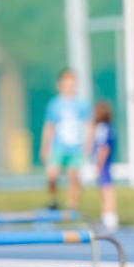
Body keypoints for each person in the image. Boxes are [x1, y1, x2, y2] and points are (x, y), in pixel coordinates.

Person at [40, 69, 91, 211]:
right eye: (67, 83)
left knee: (73, 177)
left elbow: (88, 125)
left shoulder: (81, 104)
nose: (70, 86)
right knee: (51, 175)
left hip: (75, 147)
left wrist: (87, 144)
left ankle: (72, 207)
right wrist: (45, 147)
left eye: (72, 84)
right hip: (58, 146)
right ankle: (53, 200)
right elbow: (49, 126)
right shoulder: (54, 105)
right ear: (60, 85)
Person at [92, 101, 118, 233]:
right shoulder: (108, 127)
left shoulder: (102, 128)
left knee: (106, 190)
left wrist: (99, 163)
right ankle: (106, 216)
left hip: (104, 164)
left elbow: (104, 147)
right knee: (105, 189)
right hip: (106, 163)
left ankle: (109, 217)